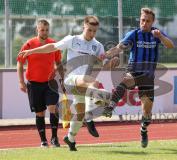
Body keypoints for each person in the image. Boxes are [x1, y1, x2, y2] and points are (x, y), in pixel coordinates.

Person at [18, 16, 119, 151]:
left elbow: (105, 63)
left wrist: (112, 63)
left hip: (83, 84)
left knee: (79, 112)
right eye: (89, 30)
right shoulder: (73, 40)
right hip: (72, 79)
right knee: (94, 83)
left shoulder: (98, 46)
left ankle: (70, 138)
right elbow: (52, 47)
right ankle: (93, 113)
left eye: (95, 31)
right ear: (84, 26)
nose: (92, 33)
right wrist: (31, 51)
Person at [102, 8, 174, 148]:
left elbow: (171, 45)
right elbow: (119, 47)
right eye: (142, 20)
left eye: (147, 21)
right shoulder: (134, 34)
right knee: (125, 80)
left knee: (147, 112)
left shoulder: (156, 34)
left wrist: (161, 37)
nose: (144, 23)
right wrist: (105, 55)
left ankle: (143, 130)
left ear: (152, 22)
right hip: (134, 71)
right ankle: (110, 105)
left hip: (148, 77)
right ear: (139, 20)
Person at [17, 19, 62, 148]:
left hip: (50, 83)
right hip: (34, 84)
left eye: (47, 30)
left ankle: (54, 138)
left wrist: (60, 74)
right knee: (40, 113)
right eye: (42, 29)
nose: (45, 32)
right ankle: (43, 141)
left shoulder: (54, 44)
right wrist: (21, 81)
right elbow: (20, 62)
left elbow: (58, 62)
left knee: (53, 107)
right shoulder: (29, 44)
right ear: (37, 29)